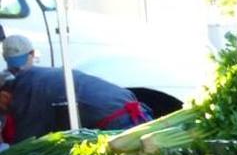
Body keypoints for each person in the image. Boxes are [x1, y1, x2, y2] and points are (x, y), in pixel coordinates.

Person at [0, 57, 152, 144]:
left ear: (4, 95)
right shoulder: (31, 78)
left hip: (116, 118)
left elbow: (28, 140)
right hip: (124, 103)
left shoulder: (26, 91)